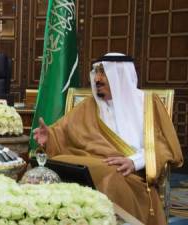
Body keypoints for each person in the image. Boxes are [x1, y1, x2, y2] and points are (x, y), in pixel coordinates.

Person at [33, 53, 183, 224]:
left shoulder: (148, 103)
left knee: (109, 174)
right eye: (95, 72)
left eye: (103, 73)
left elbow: (164, 145)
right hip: (91, 163)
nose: (97, 79)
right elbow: (62, 131)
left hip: (129, 173)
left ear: (119, 74)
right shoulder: (89, 105)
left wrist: (134, 162)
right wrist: (49, 136)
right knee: (58, 164)